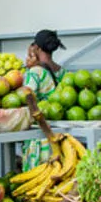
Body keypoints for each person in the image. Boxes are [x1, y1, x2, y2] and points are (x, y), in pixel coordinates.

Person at [20, 29, 67, 171]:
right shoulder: (62, 72)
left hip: (40, 136)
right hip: (59, 136)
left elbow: (25, 97)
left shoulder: (35, 72)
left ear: (37, 48)